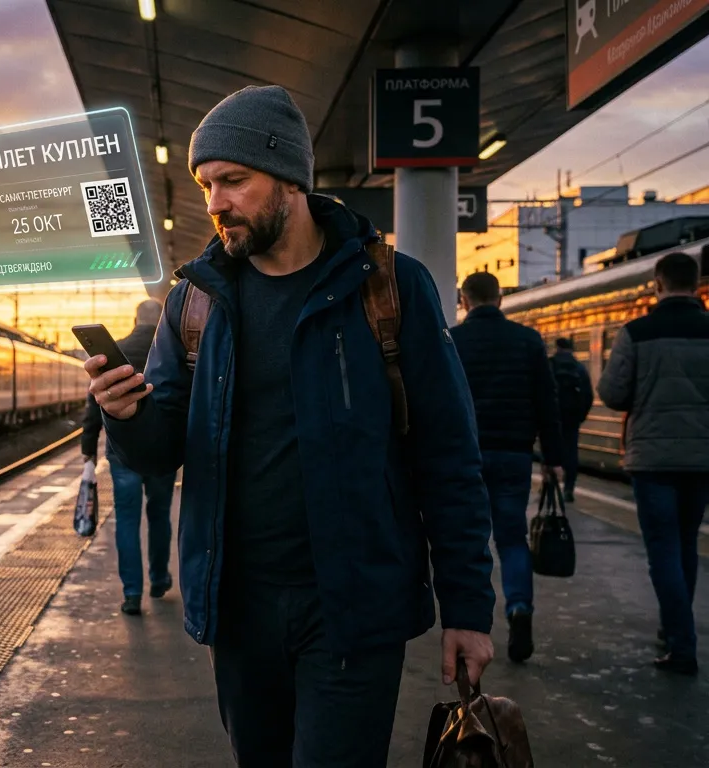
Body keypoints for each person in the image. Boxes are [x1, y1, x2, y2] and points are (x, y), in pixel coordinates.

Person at [83, 84, 495, 767]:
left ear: (290, 181)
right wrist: (125, 416)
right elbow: (162, 451)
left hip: (354, 610)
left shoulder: (388, 288)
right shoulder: (196, 302)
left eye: (233, 181)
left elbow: (448, 459)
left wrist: (469, 609)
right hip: (240, 611)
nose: (214, 202)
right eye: (207, 184)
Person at [598, 250, 709, 676]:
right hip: (701, 459)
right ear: (696, 284)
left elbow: (611, 393)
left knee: (663, 549)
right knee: (686, 543)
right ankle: (673, 628)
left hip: (653, 460)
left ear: (657, 285)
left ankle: (681, 644)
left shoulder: (637, 333)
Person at [449, 271, 565, 664]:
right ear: (500, 299)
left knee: (470, 539)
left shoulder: (454, 341)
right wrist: (553, 458)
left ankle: (474, 623)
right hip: (515, 455)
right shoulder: (528, 341)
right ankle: (519, 608)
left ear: (464, 300)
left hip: (465, 456)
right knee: (512, 538)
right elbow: (547, 404)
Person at [80, 300, 177, 616]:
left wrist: (88, 452)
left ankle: (132, 593)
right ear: (161, 320)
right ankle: (159, 579)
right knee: (159, 515)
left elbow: (96, 406)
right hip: (162, 447)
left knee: (127, 519)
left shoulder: (114, 352)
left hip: (122, 454)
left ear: (136, 320)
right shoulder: (168, 352)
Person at [550, 336, 594, 501]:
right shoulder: (579, 368)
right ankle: (569, 488)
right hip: (572, 419)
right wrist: (580, 416)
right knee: (571, 453)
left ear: (557, 348)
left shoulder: (551, 365)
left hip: (553, 418)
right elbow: (588, 395)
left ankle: (550, 487)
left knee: (551, 452)